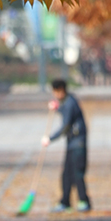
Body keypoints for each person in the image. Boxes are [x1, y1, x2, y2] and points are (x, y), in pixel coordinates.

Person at [41, 78, 91, 212]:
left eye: (56, 92)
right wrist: (57, 107)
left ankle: (84, 201)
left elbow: (65, 126)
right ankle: (65, 202)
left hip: (77, 143)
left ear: (61, 90)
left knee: (77, 173)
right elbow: (65, 112)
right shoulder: (67, 102)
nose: (55, 95)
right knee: (66, 175)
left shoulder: (70, 103)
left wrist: (50, 139)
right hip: (71, 144)